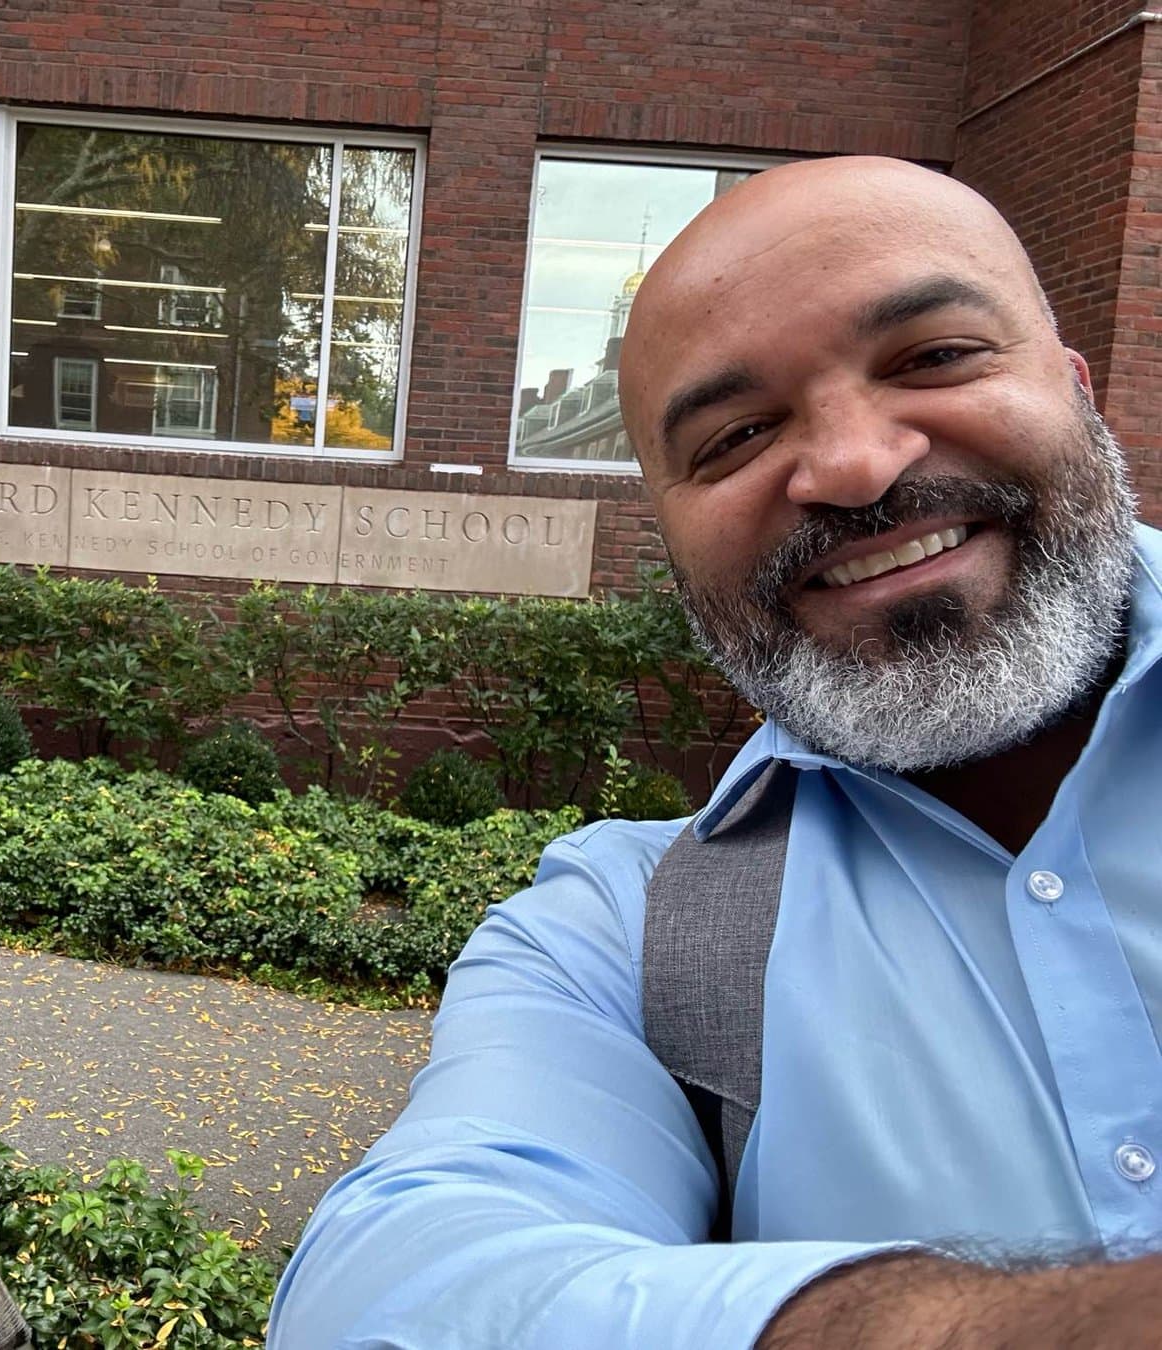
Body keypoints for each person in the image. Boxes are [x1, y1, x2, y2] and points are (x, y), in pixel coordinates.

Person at [269, 155, 1162, 1347]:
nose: (852, 465)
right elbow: (387, 1290)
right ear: (671, 536)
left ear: (1077, 385)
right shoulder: (620, 940)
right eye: (737, 435)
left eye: (933, 357)